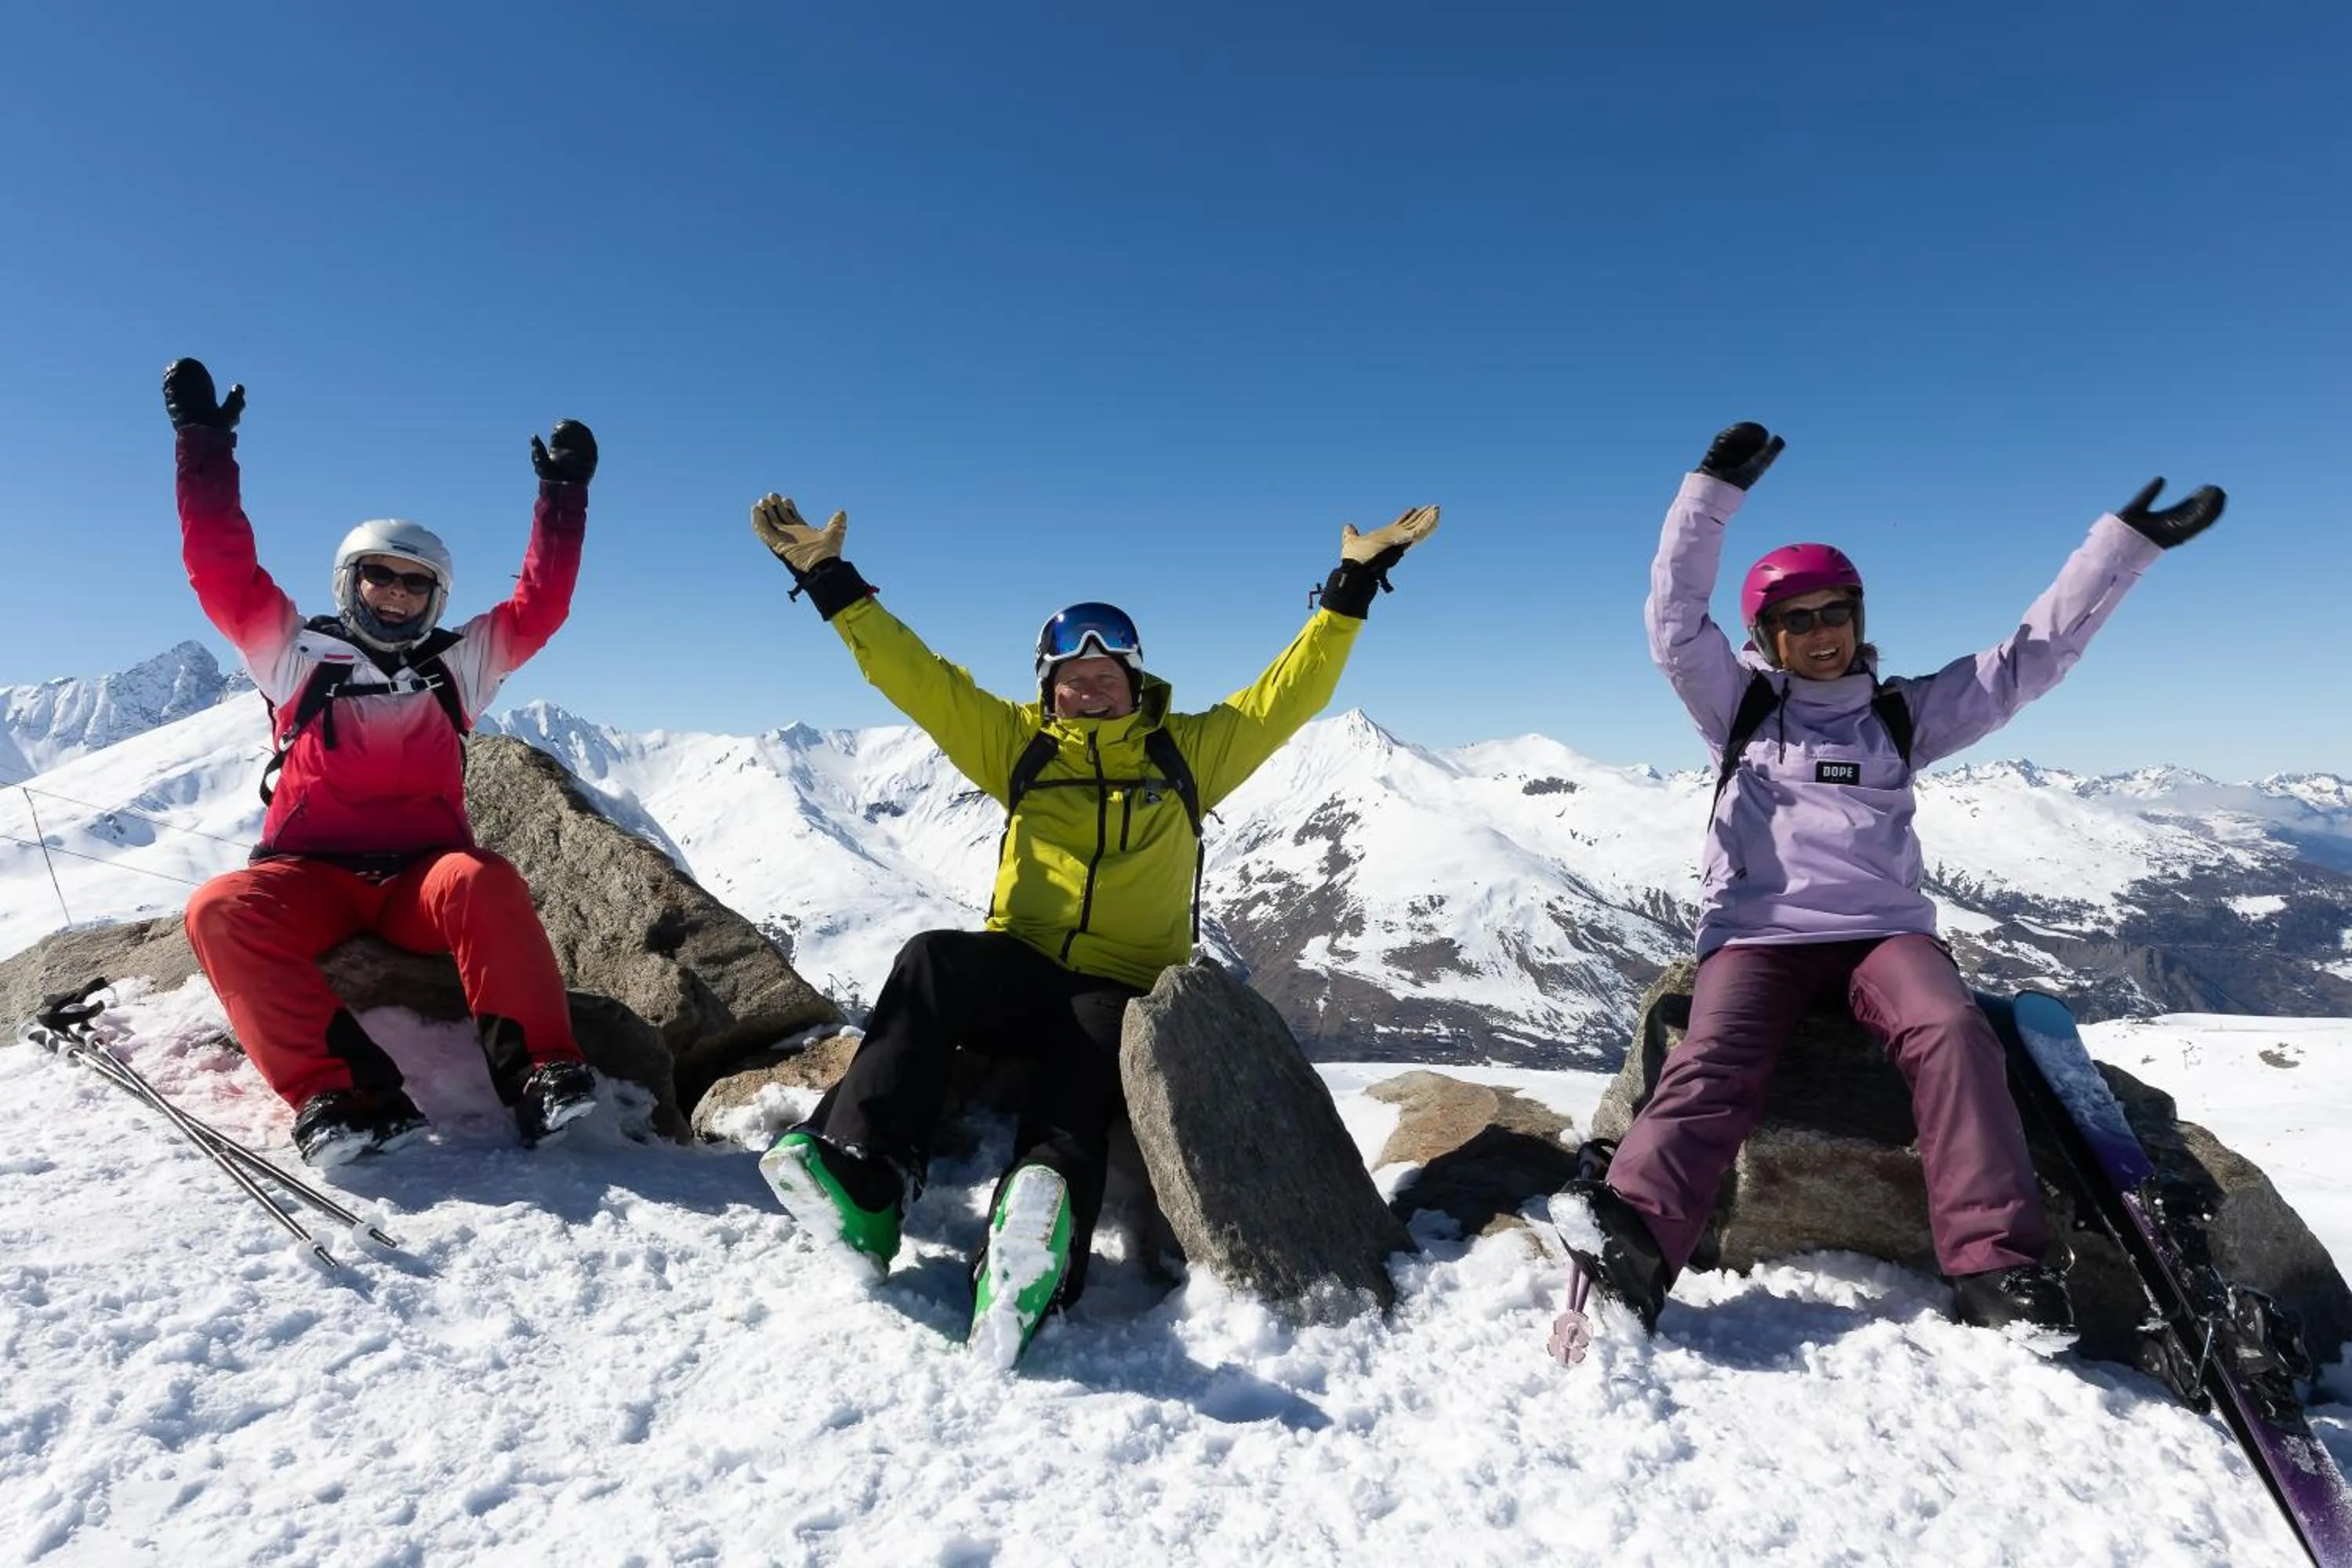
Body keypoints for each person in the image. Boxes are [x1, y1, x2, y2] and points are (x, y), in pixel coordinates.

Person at [1556, 420, 2224, 1347]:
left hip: (1884, 932)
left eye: (1835, 612)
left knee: (1953, 1030)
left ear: (1858, 620)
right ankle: (1637, 1236)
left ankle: (1998, 1268)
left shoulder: (1901, 714)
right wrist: (1709, 494)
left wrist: (2123, 549)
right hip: (1758, 932)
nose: (1821, 632)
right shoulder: (1737, 704)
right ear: (1767, 634)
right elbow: (1674, 622)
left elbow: (2029, 660)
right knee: (1714, 1056)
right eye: (1797, 619)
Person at [746, 491, 1439, 1361]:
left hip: (1120, 983)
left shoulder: (1189, 753)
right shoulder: (1018, 746)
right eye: (1071, 673)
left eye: (1107, 670)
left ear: (1136, 681)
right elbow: (913, 675)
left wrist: (1353, 583)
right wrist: (828, 577)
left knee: (1075, 1090)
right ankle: (872, 1178)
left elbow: (1291, 692)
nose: (1089, 682)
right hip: (1019, 963)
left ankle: (1038, 1244)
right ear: (1048, 686)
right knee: (929, 961)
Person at [165, 358, 604, 1167]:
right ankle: (346, 1095)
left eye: (415, 583)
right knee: (218, 909)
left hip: (419, 881)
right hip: (310, 877)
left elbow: (541, 605)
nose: (397, 594)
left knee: (483, 878)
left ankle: (541, 1072)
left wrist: (563, 496)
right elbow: (220, 569)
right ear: (351, 580)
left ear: (436, 596)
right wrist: (203, 443)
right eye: (380, 576)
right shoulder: (294, 652)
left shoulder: (458, 664)